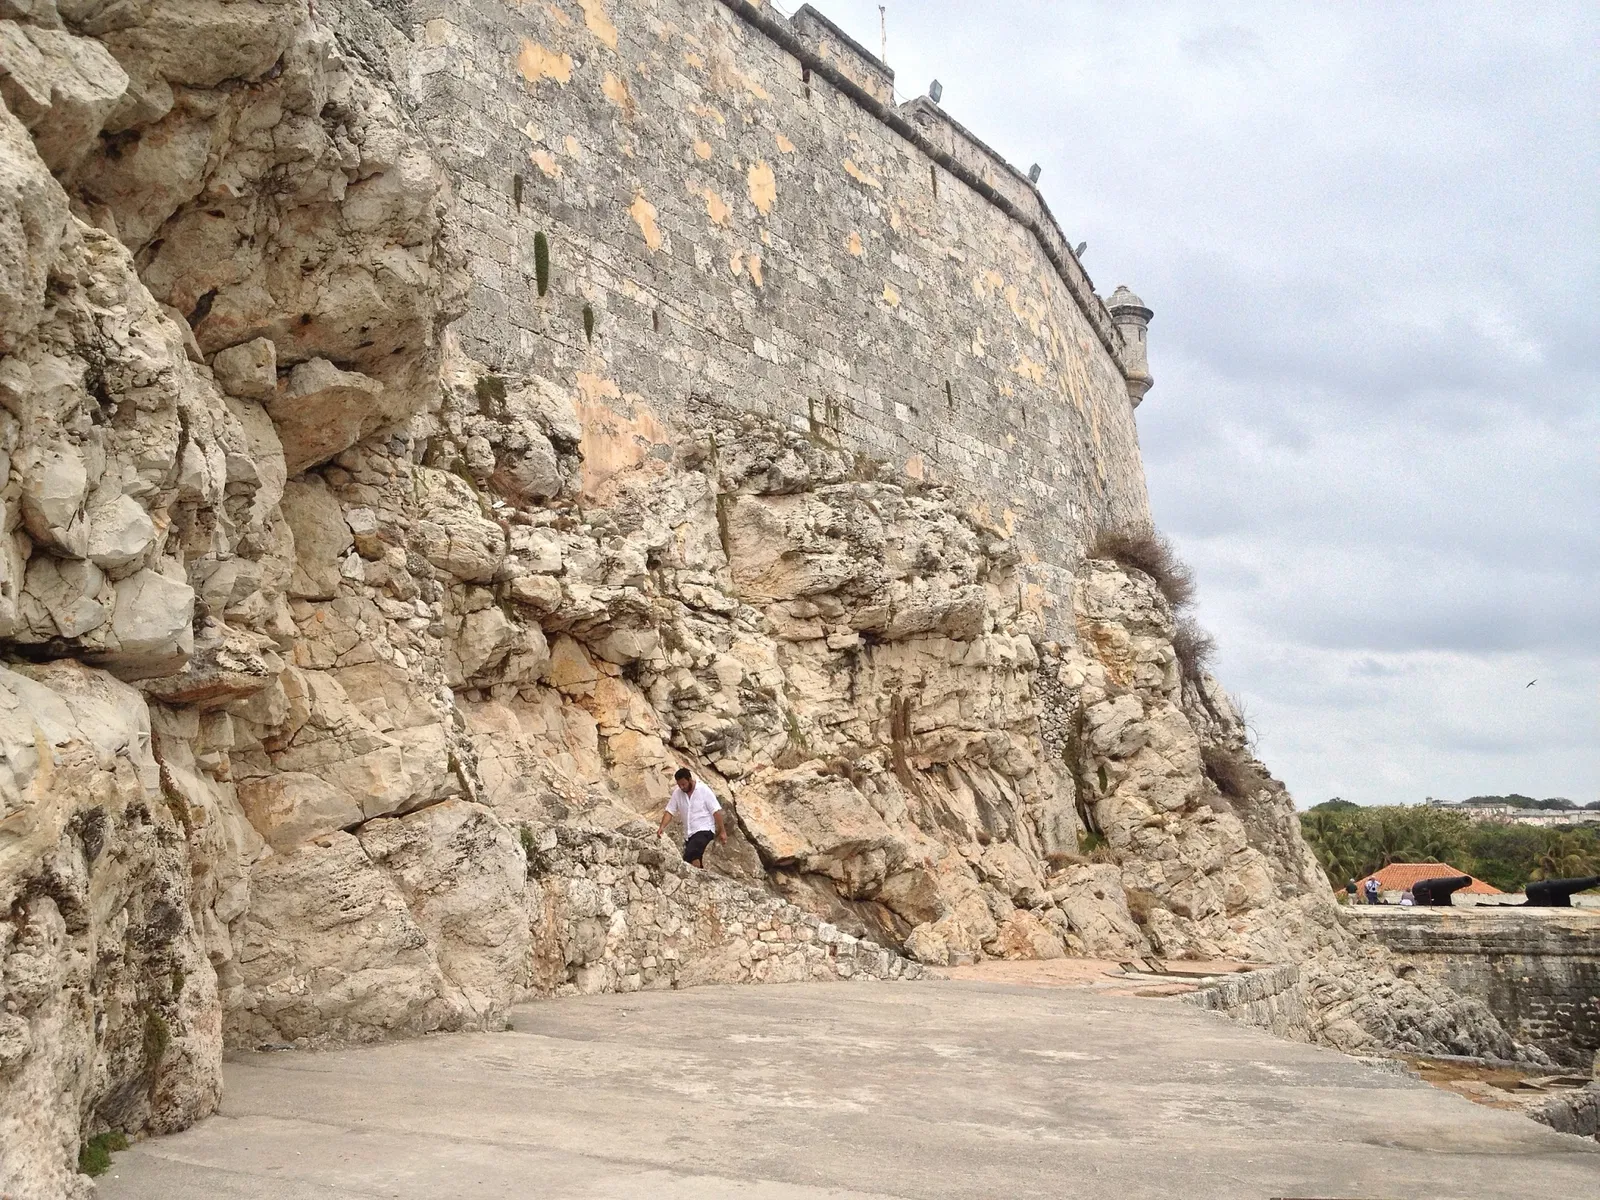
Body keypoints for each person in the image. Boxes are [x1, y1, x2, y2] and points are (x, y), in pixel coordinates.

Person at [657, 766, 725, 869]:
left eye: (683, 784)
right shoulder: (677, 793)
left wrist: (722, 831)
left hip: (705, 830)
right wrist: (662, 827)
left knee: (693, 852)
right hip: (689, 835)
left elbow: (715, 811)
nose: (682, 787)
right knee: (687, 860)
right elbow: (669, 811)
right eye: (679, 785)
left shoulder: (703, 790)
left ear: (690, 780)